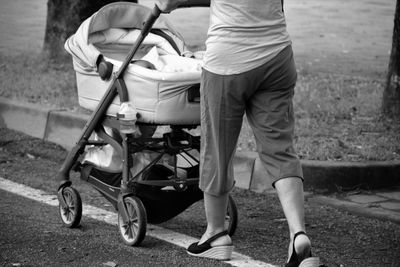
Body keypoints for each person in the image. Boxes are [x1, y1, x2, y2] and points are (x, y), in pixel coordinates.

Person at [156, 0, 321, 266]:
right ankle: (298, 234)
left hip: (228, 62)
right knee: (280, 148)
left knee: (217, 149)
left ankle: (215, 233)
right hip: (276, 55)